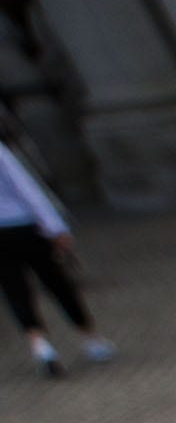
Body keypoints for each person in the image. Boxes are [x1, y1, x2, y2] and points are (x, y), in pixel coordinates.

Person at [0, 131, 108, 379]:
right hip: (24, 227)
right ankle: (91, 338)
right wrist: (56, 227)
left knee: (15, 291)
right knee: (57, 283)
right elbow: (27, 189)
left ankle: (41, 346)